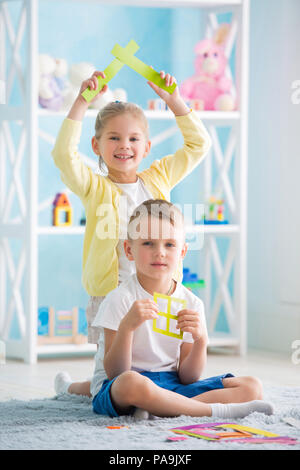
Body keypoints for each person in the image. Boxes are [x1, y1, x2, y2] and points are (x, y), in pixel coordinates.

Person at [52, 68, 212, 397]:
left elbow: (199, 145)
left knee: (150, 366)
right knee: (111, 371)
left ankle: (79, 388)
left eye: (133, 139)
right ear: (96, 145)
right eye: (114, 138)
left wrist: (175, 101)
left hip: (157, 290)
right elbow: (63, 156)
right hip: (112, 293)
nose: (124, 145)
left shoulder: (159, 178)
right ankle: (71, 389)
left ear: (147, 146)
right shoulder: (94, 187)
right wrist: (82, 102)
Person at [90, 199, 274, 419]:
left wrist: (200, 341)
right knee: (131, 383)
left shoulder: (192, 303)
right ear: (129, 250)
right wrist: (127, 327)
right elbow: (116, 373)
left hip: (172, 383)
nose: (160, 252)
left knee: (252, 387)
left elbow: (188, 378)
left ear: (183, 251)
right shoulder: (120, 299)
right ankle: (213, 411)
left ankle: (160, 408)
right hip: (127, 384)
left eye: (169, 244)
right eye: (148, 243)